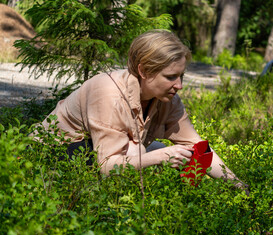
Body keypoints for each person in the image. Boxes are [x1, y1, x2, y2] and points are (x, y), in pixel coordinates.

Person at [37, 29, 249, 194]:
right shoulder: (108, 94)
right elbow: (106, 164)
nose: (179, 85)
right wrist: (162, 155)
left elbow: (199, 147)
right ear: (144, 71)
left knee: (166, 151)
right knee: (138, 150)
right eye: (170, 77)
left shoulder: (168, 98)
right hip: (49, 157)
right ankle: (113, 217)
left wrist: (239, 186)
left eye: (181, 76)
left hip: (95, 154)